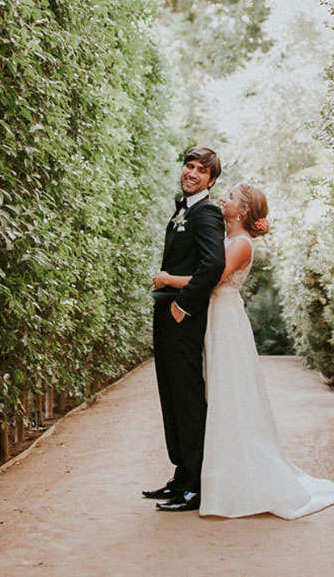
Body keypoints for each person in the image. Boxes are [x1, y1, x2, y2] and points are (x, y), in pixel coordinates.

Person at [153, 183, 334, 519]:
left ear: (241, 211)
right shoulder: (226, 239)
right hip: (212, 319)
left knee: (229, 395)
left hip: (225, 322)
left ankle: (227, 478)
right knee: (211, 394)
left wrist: (169, 279)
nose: (223, 200)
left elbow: (210, 277)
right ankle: (200, 473)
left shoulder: (240, 244)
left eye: (229, 198)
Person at [143, 147, 226, 512]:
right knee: (171, 397)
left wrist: (182, 303)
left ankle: (196, 485)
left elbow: (213, 265)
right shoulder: (184, 208)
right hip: (166, 317)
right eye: (188, 166)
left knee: (189, 400)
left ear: (211, 179)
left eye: (200, 170)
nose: (191, 173)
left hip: (183, 318)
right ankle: (181, 475)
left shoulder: (206, 213)